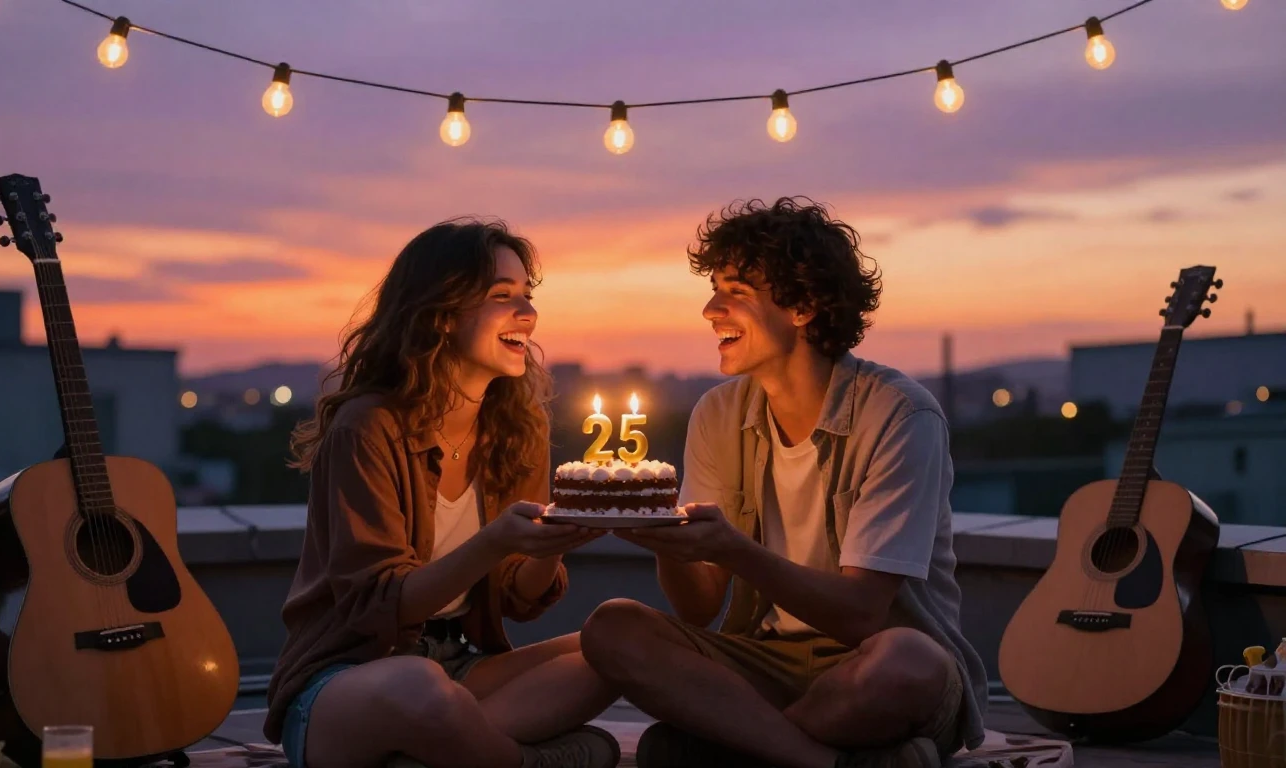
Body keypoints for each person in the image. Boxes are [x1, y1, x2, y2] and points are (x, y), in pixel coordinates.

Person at [580, 197, 989, 768]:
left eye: (736, 292)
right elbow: (699, 608)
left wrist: (731, 548)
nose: (710, 309)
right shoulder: (718, 414)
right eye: (714, 289)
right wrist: (663, 539)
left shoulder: (900, 416)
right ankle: (825, 761)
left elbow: (862, 614)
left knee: (908, 664)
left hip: (870, 664)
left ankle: (736, 747)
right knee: (613, 627)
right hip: (764, 660)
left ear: (803, 305)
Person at [263, 219, 622, 768]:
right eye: (502, 297)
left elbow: (520, 601)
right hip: (348, 679)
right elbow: (373, 608)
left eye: (527, 296)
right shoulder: (368, 426)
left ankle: (432, 753)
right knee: (419, 685)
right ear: (440, 314)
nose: (527, 314)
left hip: (463, 667)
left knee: (619, 642)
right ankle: (521, 762)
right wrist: (495, 542)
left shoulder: (519, 429)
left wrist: (550, 547)